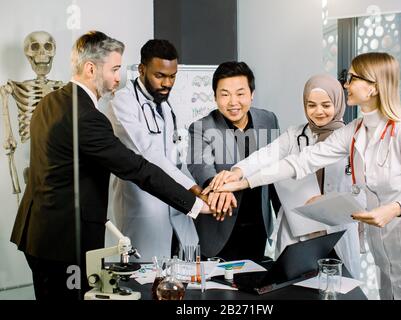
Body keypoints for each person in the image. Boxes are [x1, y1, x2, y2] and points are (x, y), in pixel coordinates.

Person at [212, 52, 401, 300]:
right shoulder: (355, 131)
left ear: (374, 87)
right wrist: (244, 180)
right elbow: (301, 161)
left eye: (352, 78)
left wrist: (394, 209)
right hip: (384, 259)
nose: (346, 84)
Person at [10, 31, 213, 300]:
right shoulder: (87, 117)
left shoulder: (52, 101)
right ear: (91, 68)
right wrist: (196, 203)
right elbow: (136, 168)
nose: (119, 77)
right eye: (115, 69)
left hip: (37, 235)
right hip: (64, 243)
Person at [209, 74, 361, 277]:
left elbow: (362, 189)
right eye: (311, 105)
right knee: (296, 290)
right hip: (299, 229)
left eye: (326, 105)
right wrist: (236, 173)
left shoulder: (352, 138)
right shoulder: (295, 135)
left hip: (336, 231)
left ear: (338, 103)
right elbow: (264, 156)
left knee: (340, 289)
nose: (319, 112)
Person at [105, 39, 233, 260]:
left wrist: (203, 190)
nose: (167, 83)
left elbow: (175, 160)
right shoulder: (121, 103)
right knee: (142, 275)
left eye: (172, 76)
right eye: (160, 76)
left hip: (174, 207)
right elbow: (150, 155)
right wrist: (192, 188)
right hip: (141, 207)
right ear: (142, 70)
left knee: (180, 272)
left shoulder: (164, 106)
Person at [187, 61, 280, 262]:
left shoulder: (268, 120)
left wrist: (283, 215)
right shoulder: (201, 127)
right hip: (219, 224)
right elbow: (199, 165)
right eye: (225, 94)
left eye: (240, 93)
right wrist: (217, 187)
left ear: (251, 93)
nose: (233, 102)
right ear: (214, 97)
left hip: (258, 224)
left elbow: (275, 167)